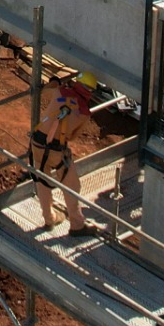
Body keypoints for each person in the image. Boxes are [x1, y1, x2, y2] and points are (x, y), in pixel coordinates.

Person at [28, 74, 94, 234]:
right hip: (56, 150)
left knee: (42, 180)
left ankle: (49, 218)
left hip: (37, 143)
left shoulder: (60, 92)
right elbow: (73, 136)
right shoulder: (84, 112)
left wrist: (54, 82)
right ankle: (77, 225)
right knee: (72, 185)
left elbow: (45, 92)